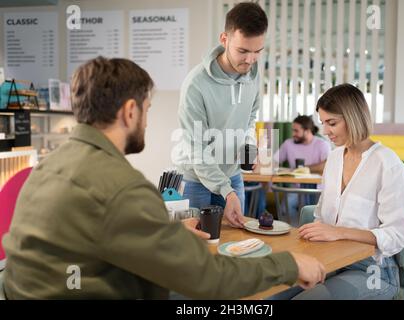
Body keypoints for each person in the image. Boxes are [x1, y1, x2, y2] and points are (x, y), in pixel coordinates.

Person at [2, 57, 326, 299]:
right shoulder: (122, 187)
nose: (146, 119)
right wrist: (290, 265)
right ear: (131, 111)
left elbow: (99, 229)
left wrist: (163, 227)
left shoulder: (46, 166)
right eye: (147, 108)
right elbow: (207, 278)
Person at [273, 84, 404, 300]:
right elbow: (321, 217)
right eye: (323, 123)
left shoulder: (388, 165)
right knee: (268, 293)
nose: (326, 131)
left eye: (332, 123)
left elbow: (396, 236)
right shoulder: (335, 159)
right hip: (331, 260)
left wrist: (339, 232)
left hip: (374, 271)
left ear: (354, 118)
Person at [175, 2, 267, 227]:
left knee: (236, 246)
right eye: (243, 51)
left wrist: (248, 146)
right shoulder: (196, 85)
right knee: (198, 248)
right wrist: (227, 191)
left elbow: (249, 119)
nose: (250, 60)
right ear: (224, 39)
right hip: (196, 179)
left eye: (257, 52)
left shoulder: (253, 76)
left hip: (233, 176)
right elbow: (197, 150)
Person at [273, 115, 331, 225]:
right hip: (296, 190)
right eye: (292, 130)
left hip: (318, 191)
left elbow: (327, 166)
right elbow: (274, 161)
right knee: (286, 207)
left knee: (316, 211)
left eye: (296, 131)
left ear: (307, 131)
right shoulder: (288, 144)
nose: (293, 134)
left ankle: (307, 230)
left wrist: (303, 169)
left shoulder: (322, 144)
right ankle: (296, 231)